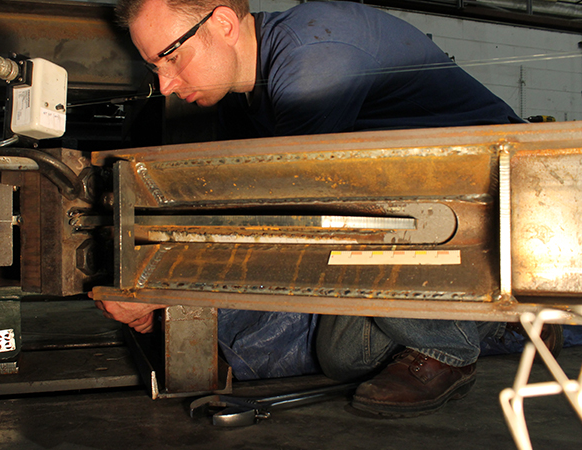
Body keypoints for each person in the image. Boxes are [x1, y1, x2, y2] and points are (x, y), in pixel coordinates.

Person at [97, 0, 524, 417]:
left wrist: (158, 289)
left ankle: (448, 348)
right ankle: (497, 323)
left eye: (171, 57)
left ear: (224, 24)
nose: (166, 83)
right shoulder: (246, 95)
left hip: (493, 202)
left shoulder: (310, 58)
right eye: (156, 68)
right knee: (342, 356)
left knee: (351, 214)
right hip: (412, 209)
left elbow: (299, 214)